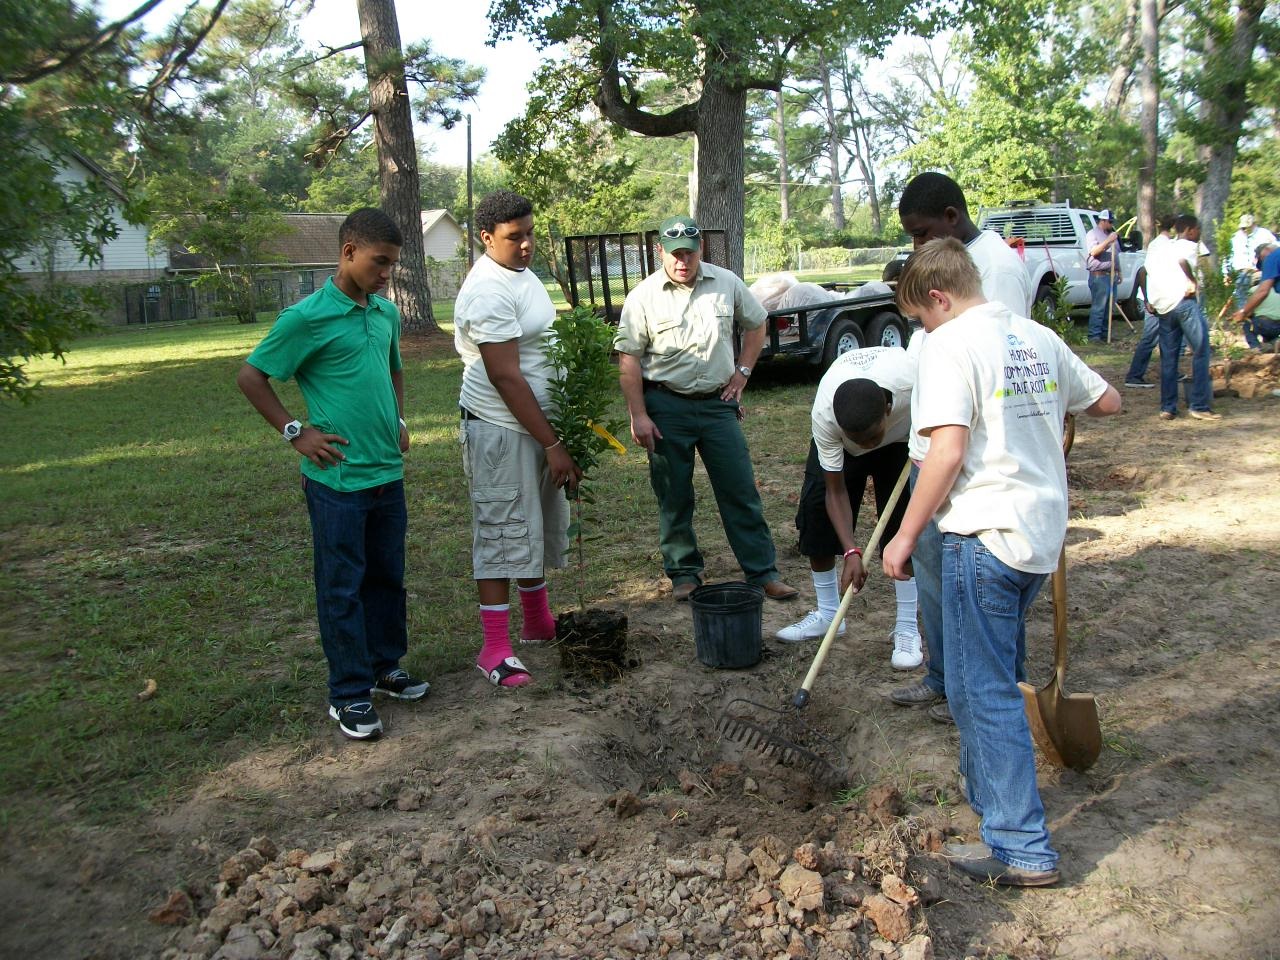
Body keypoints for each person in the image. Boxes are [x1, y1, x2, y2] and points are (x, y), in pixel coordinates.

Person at [884, 237, 1121, 887]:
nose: (923, 330)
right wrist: (1047, 415)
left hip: (982, 537)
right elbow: (1106, 401)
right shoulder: (1035, 337)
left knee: (979, 690)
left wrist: (904, 536)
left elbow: (947, 452)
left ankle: (1020, 848)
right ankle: (991, 796)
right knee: (994, 672)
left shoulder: (951, 345)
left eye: (921, 317)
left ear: (939, 297)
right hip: (1037, 542)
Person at [236, 208, 427, 741]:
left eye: (393, 263)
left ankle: (383, 666)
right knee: (341, 585)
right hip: (338, 481)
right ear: (348, 253)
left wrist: (401, 418)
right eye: (379, 262)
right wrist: (296, 431)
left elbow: (393, 369)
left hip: (386, 473)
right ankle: (347, 693)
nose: (387, 273)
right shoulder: (305, 318)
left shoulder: (386, 314)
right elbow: (251, 377)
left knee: (386, 576)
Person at [891, 171, 1034, 722]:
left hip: (972, 457)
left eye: (923, 232)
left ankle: (998, 689)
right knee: (933, 571)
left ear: (953, 217)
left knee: (984, 587)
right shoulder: (946, 264)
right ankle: (945, 678)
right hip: (933, 444)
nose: (916, 246)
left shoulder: (995, 266)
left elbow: (1009, 365)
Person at [615, 214, 797, 603]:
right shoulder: (643, 296)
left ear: (701, 251)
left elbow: (757, 324)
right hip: (665, 405)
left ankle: (763, 572)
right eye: (676, 253)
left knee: (740, 489)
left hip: (718, 406)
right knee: (673, 493)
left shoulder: (726, 282)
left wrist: (742, 372)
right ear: (660, 251)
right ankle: (684, 573)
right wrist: (639, 414)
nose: (684, 261)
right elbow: (628, 359)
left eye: (691, 254)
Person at [454, 190, 583, 688]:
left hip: (536, 424)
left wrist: (556, 429)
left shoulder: (521, 273)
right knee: (503, 528)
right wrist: (552, 444)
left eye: (529, 232)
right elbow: (506, 376)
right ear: (486, 238)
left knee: (536, 522)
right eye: (515, 237)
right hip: (501, 428)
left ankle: (536, 623)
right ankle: (495, 648)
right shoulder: (487, 290)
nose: (527, 244)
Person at [775, 347, 922, 670]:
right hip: (843, 442)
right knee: (816, 515)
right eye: (857, 439)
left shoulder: (913, 385)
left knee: (903, 528)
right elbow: (835, 490)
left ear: (887, 409)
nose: (865, 446)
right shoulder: (827, 415)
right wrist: (852, 551)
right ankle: (829, 615)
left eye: (869, 438)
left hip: (901, 443)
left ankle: (906, 627)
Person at [1143, 214, 1220, 421]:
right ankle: (1199, 405)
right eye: (1197, 231)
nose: (1198, 235)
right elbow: (1182, 261)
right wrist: (1191, 279)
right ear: (1189, 230)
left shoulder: (1161, 247)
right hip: (1184, 303)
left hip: (1164, 307)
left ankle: (1168, 407)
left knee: (1169, 358)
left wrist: (1150, 299)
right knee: (1201, 349)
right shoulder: (1186, 245)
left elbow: (1147, 271)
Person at [1123, 215, 1177, 388]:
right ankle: (1134, 376)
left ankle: (1170, 372)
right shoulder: (1168, 247)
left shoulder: (1155, 245)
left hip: (1156, 298)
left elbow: (1144, 273)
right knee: (1151, 339)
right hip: (1159, 300)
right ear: (1174, 228)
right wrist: (1148, 299)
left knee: (1167, 338)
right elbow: (1142, 273)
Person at [1232, 240, 1280, 350]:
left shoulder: (1272, 257)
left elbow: (1263, 291)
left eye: (1263, 262)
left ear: (1267, 251)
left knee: (1251, 324)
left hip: (1265, 323)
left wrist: (1243, 312)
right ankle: (1274, 343)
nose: (1265, 268)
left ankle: (1256, 349)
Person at [1085, 209, 1122, 343]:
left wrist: (1119, 271)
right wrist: (1108, 241)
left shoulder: (1111, 234)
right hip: (1099, 276)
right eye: (1110, 222)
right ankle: (1094, 336)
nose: (1112, 224)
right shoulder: (1092, 234)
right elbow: (1094, 252)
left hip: (1111, 275)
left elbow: (1115, 254)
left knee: (1109, 307)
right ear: (1103, 221)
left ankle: (1106, 334)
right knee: (1099, 307)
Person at [1224, 214, 1276, 310]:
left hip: (1261, 271)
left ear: (1254, 224)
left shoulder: (1264, 234)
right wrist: (1226, 273)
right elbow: (1229, 256)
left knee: (1263, 294)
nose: (1245, 230)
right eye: (1243, 228)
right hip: (1242, 272)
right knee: (1241, 296)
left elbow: (1276, 249)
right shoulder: (1236, 237)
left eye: (1248, 227)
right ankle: (1244, 316)